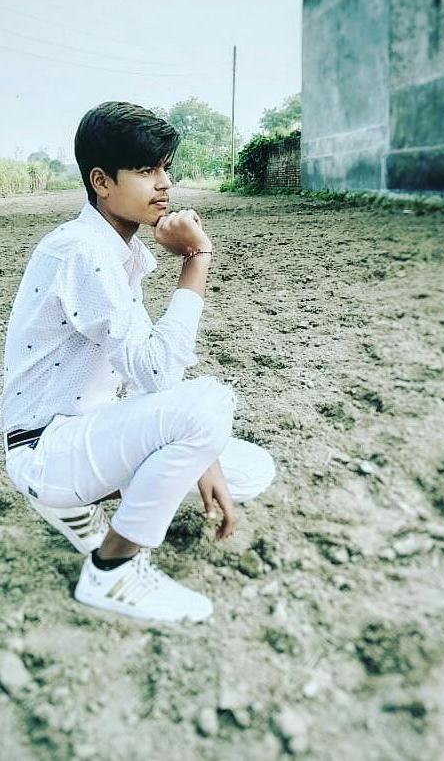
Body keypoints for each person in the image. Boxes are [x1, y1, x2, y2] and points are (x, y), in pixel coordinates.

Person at [0, 101, 276, 624]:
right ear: (101, 182)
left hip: (84, 436)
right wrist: (196, 260)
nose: (164, 184)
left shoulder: (116, 252)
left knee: (248, 470)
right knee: (209, 405)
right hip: (46, 447)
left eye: (165, 169)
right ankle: (113, 571)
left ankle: (72, 505)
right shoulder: (81, 251)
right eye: (147, 170)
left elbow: (142, 373)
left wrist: (201, 451)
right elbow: (156, 368)